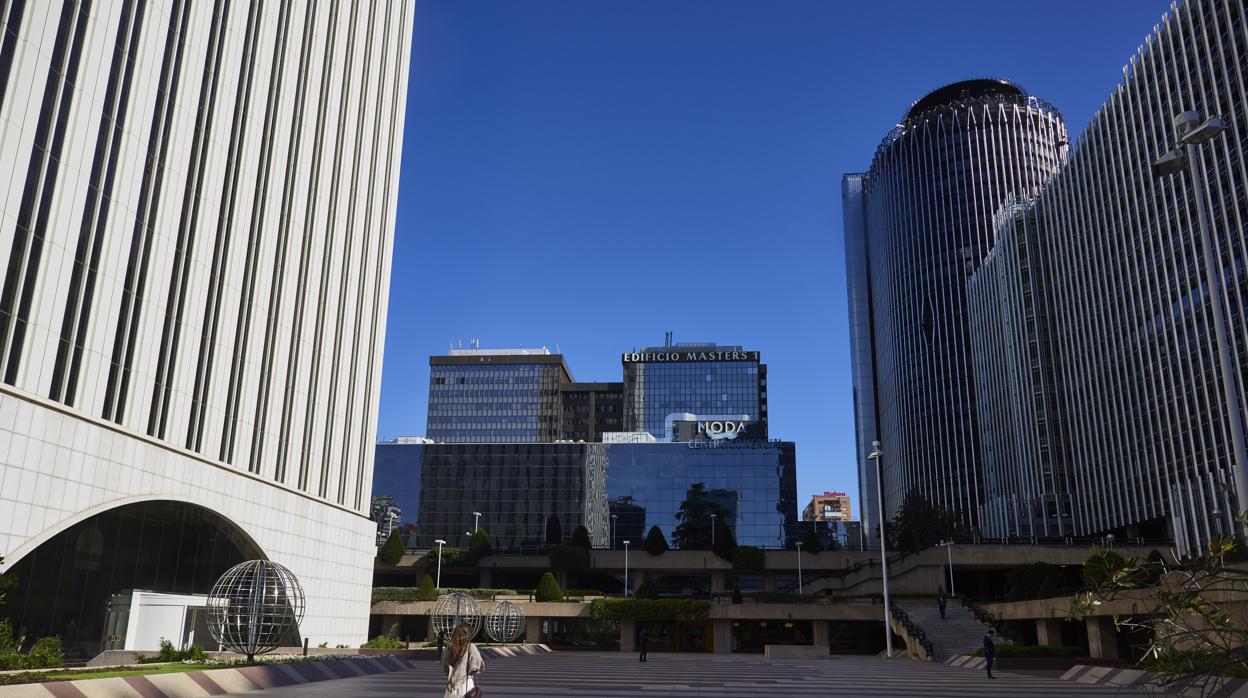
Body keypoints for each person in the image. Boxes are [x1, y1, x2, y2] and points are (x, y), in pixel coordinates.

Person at [443, 623, 484, 698]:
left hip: (452, 686)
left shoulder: (449, 648)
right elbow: (476, 666)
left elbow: (445, 667)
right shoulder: (471, 647)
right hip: (466, 684)